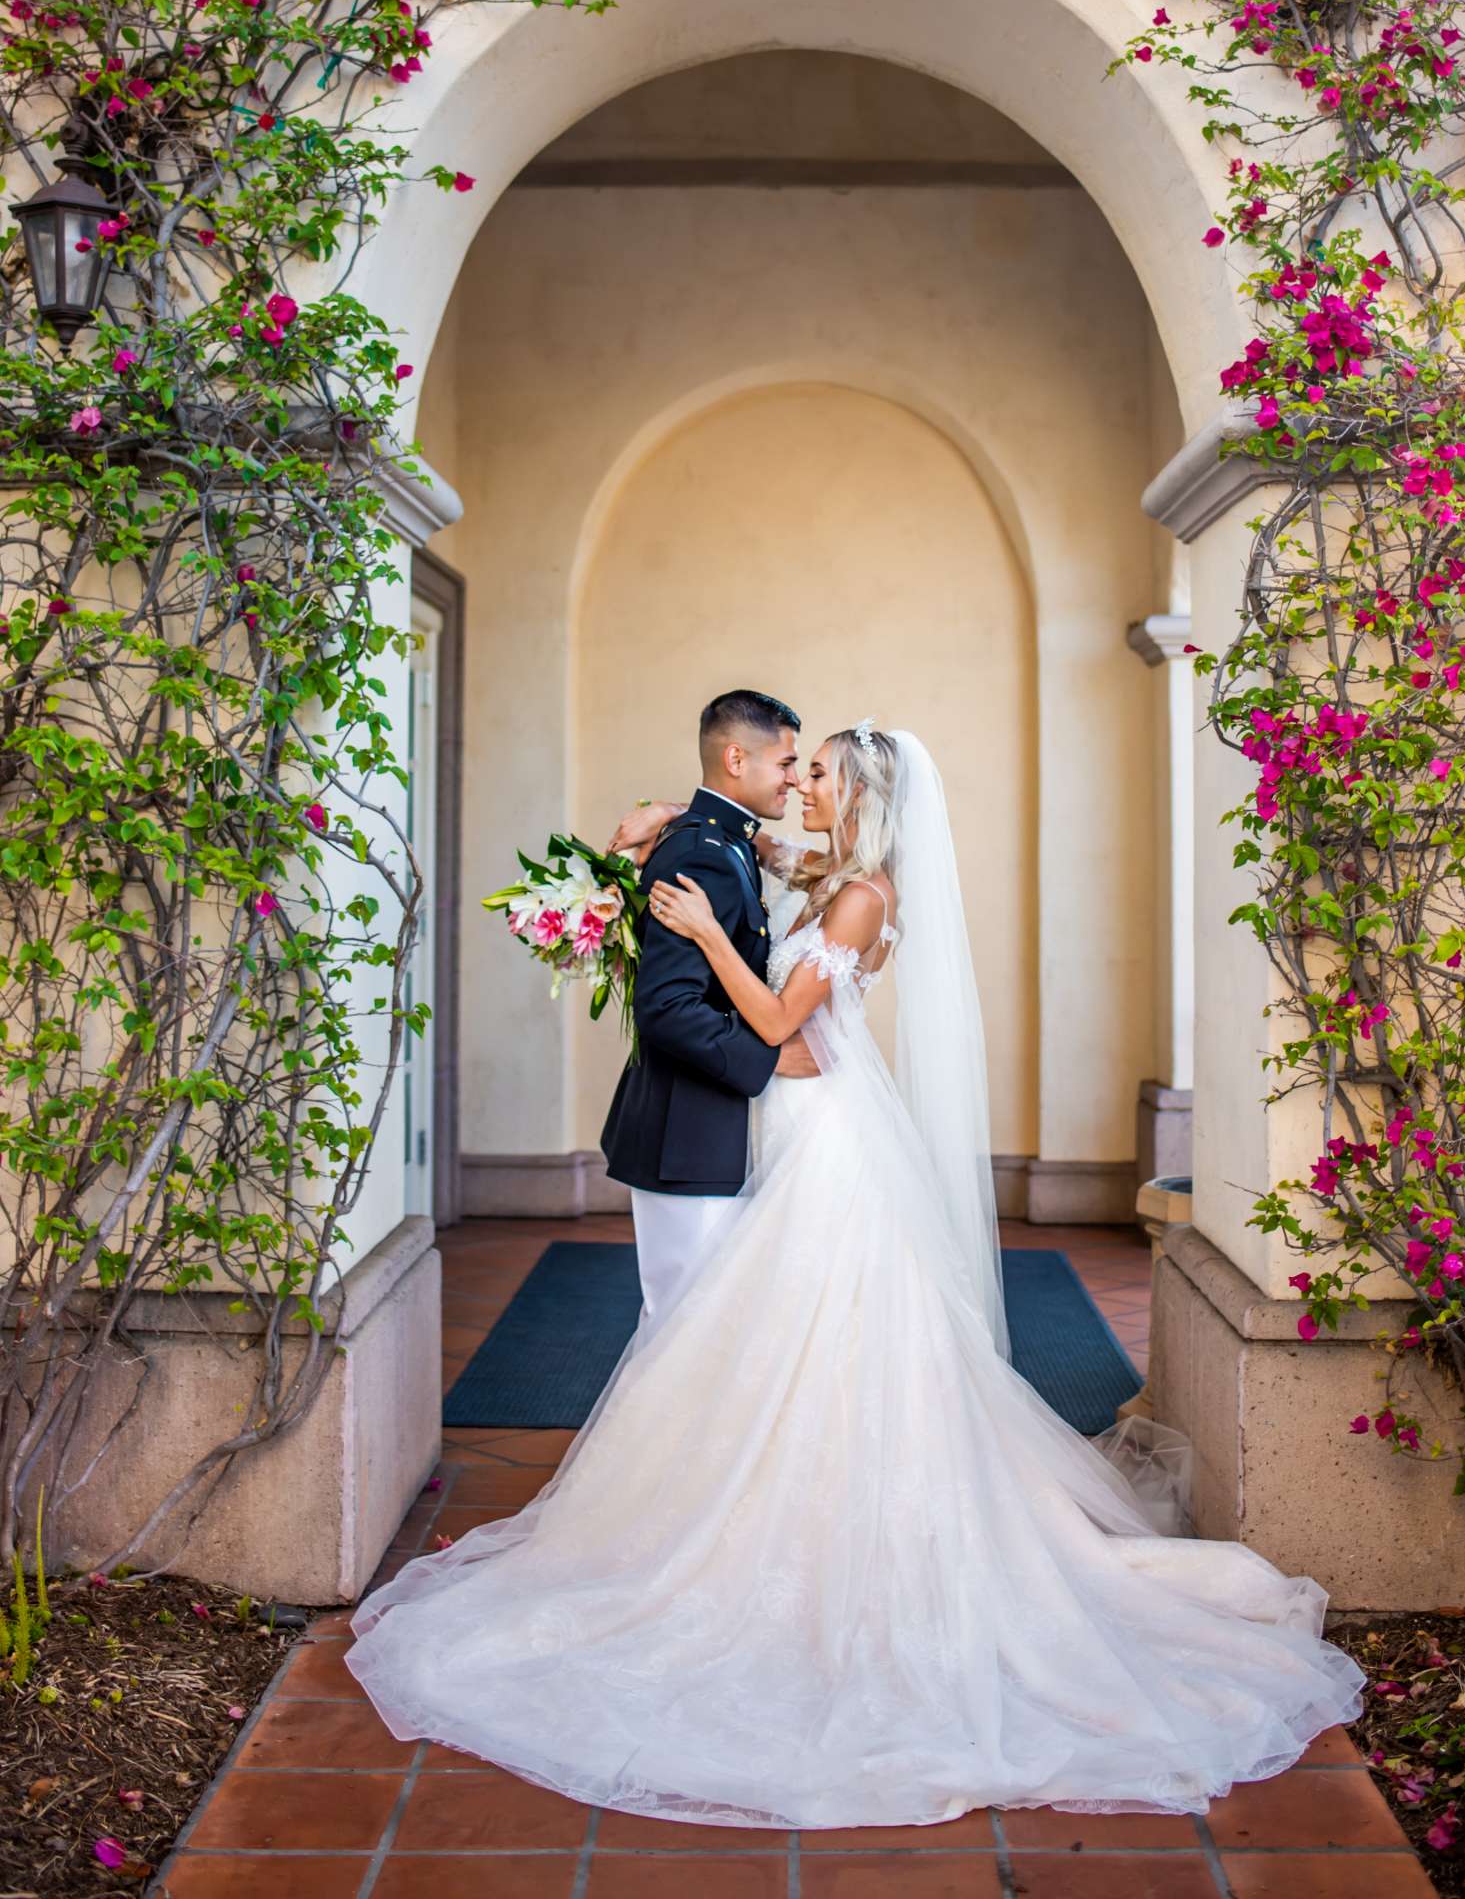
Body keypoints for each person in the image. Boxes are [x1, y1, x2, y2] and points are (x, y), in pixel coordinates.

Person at [345, 723, 1363, 1830]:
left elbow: (785, 1017)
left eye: (819, 772)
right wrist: (637, 845)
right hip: (791, 1122)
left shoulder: (864, 896)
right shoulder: (824, 873)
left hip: (827, 1140)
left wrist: (699, 932)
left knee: (814, 1338)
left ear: (864, 792)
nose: (802, 784)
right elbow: (729, 854)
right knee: (765, 1346)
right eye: (799, 766)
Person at [598, 688, 805, 1322]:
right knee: (685, 1325)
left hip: (697, 1125)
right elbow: (666, 1007)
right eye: (787, 763)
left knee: (703, 1328)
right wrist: (768, 1060)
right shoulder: (701, 854)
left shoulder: (725, 841)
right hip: (683, 1131)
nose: (795, 782)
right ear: (738, 759)